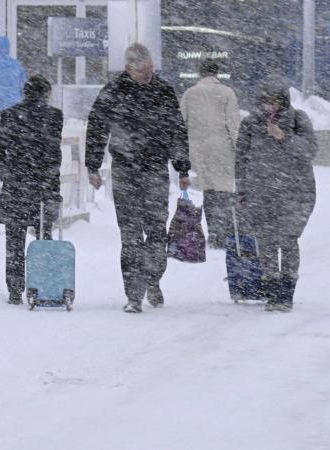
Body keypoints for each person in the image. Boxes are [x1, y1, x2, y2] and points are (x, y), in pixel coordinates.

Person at [86, 43, 191, 314]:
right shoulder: (113, 91)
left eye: (151, 68)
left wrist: (182, 168)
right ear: (129, 69)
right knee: (130, 234)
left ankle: (152, 279)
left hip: (155, 168)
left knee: (156, 230)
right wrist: (92, 166)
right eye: (144, 71)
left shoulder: (163, 91)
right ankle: (133, 294)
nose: (149, 74)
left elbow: (177, 131)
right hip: (125, 169)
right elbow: (96, 129)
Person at [235, 76, 317, 312]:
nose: (270, 107)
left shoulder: (298, 120)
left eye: (275, 102)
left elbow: (310, 150)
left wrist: (285, 137)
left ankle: (287, 292)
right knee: (267, 243)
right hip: (261, 192)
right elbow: (241, 158)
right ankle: (273, 291)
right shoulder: (250, 124)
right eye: (266, 102)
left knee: (288, 240)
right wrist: (241, 190)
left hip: (295, 192)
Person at [0, 74, 63, 305]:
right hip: (42, 185)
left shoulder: (10, 114)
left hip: (16, 185)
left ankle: (15, 289)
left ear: (25, 92)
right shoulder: (54, 116)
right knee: (43, 237)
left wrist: (6, 173)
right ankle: (41, 285)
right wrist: (53, 185)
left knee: (14, 239)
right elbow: (54, 154)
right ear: (46, 93)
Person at [180, 59, 242, 249]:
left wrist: (184, 151)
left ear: (200, 73)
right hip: (223, 149)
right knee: (224, 190)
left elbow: (181, 124)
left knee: (209, 191)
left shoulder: (190, 94)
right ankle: (225, 233)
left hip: (199, 150)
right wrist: (240, 150)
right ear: (217, 73)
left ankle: (214, 232)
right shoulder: (227, 93)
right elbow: (233, 125)